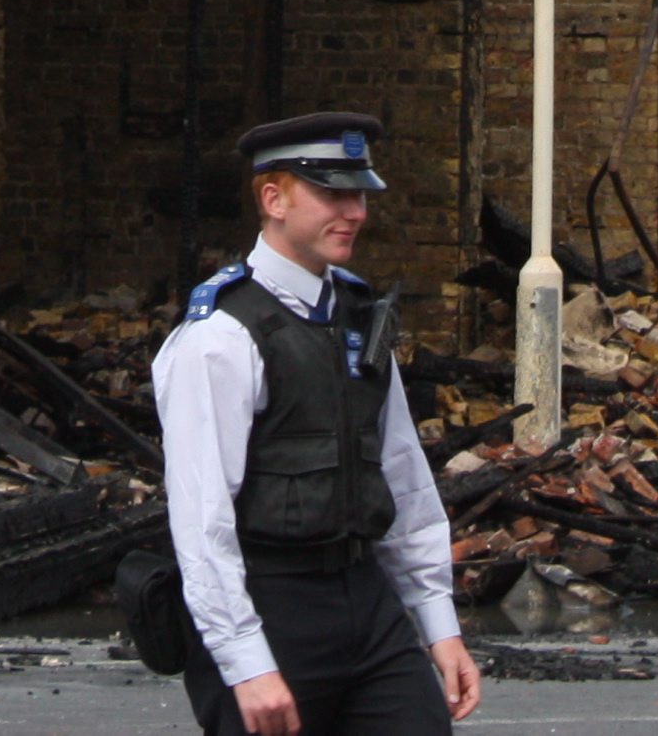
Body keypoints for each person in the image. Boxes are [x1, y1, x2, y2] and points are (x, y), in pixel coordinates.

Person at [151, 112, 483, 735]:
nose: (355, 212)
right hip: (272, 605)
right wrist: (246, 663)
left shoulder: (359, 314)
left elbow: (403, 476)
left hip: (367, 601)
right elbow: (201, 519)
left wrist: (438, 622)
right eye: (332, 193)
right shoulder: (220, 337)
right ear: (273, 199)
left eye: (359, 194)